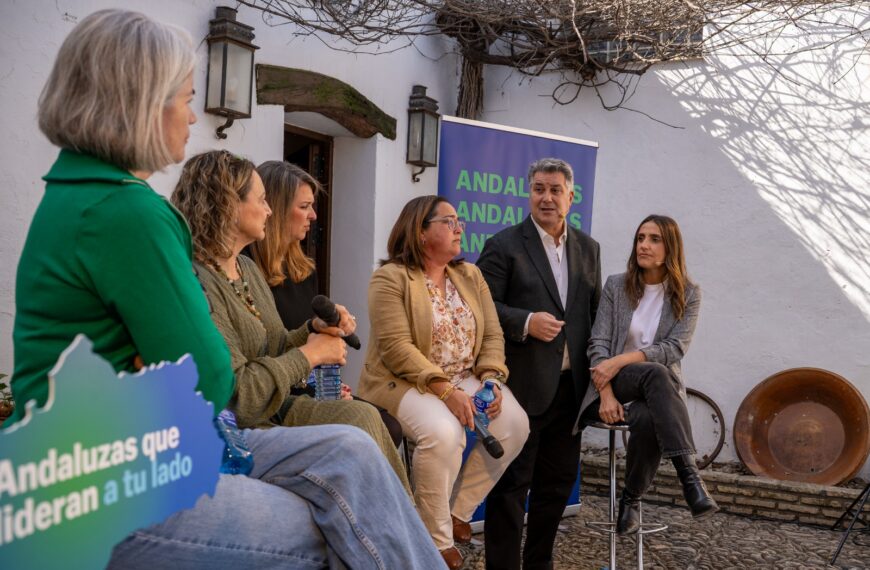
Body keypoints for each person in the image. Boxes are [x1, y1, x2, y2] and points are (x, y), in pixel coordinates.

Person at [10, 9, 442, 569]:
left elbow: (208, 363)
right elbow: (213, 379)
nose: (192, 116)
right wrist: (298, 353)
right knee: (344, 522)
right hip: (104, 481)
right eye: (185, 97)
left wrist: (301, 338)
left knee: (352, 451)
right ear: (140, 99)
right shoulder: (129, 211)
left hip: (132, 450)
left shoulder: (75, 193)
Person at [170, 150, 411, 494]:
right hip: (240, 427)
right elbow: (240, 397)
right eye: (262, 200)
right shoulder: (197, 281)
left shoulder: (246, 269)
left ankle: (404, 535)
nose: (268, 210)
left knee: (366, 417)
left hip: (277, 408)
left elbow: (274, 345)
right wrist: (311, 355)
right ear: (228, 205)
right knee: (356, 433)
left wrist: (312, 331)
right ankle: (394, 540)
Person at [359, 195, 530, 570]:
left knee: (515, 424)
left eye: (459, 221)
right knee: (443, 431)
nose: (460, 228)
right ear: (421, 232)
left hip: (465, 377)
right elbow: (396, 348)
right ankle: (435, 539)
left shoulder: (470, 275)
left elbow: (492, 337)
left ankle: (457, 511)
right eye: (450, 221)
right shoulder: (390, 278)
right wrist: (447, 392)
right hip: (402, 382)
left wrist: (491, 380)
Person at [476, 158, 602, 570]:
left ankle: (539, 564)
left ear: (571, 196)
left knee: (556, 488)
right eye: (538, 189)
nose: (546, 197)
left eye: (554, 190)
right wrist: (526, 322)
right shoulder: (504, 244)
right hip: (522, 388)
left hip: (570, 390)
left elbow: (593, 312)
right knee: (511, 487)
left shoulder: (589, 248)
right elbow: (481, 306)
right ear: (529, 193)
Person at [576, 214, 718, 534]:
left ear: (671, 248)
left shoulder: (689, 294)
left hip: (655, 390)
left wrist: (623, 358)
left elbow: (674, 349)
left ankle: (631, 500)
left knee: (646, 416)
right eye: (641, 238)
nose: (644, 245)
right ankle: (689, 478)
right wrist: (607, 391)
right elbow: (598, 344)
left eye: (654, 239)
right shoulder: (616, 285)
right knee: (654, 373)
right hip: (614, 381)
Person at [247, 160, 404, 447]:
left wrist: (331, 332)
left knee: (389, 426)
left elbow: (308, 341)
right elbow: (270, 351)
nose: (314, 216)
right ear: (277, 209)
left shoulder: (304, 270)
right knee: (376, 427)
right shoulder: (245, 270)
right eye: (304, 206)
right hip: (274, 395)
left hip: (308, 384)